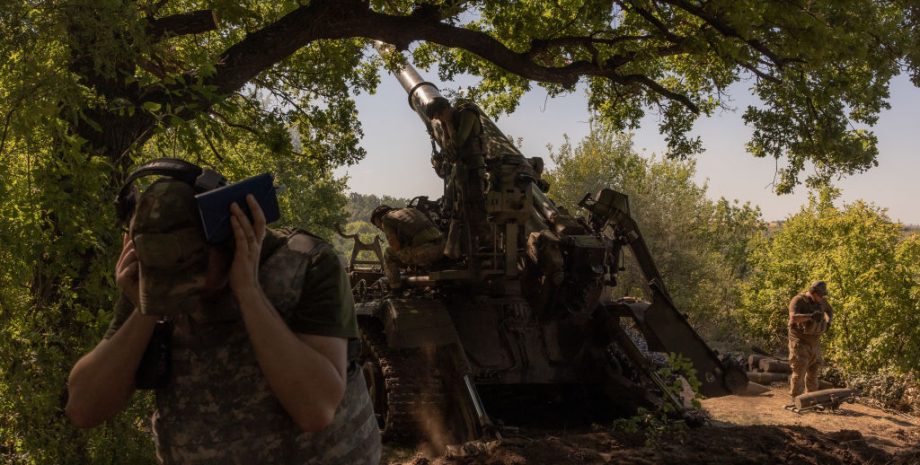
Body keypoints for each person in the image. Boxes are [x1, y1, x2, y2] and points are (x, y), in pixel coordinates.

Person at [65, 177, 381, 463]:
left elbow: (315, 409)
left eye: (191, 273)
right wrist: (146, 308)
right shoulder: (155, 280)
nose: (183, 293)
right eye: (165, 277)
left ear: (233, 236)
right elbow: (83, 408)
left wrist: (249, 293)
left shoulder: (307, 264)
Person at [370, 205, 444, 291]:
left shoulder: (386, 219)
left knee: (388, 253)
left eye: (377, 225)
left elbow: (396, 246)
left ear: (377, 219)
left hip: (425, 251)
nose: (379, 228)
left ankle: (395, 289)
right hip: (442, 247)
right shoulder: (411, 211)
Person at [787, 280, 834, 398]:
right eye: (819, 294)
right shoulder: (798, 300)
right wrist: (810, 316)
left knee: (813, 373)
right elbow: (793, 318)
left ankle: (811, 399)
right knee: (799, 373)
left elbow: (829, 310)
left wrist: (828, 322)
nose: (821, 297)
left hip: (815, 344)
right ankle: (796, 399)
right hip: (799, 343)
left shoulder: (822, 301)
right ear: (813, 292)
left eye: (823, 295)